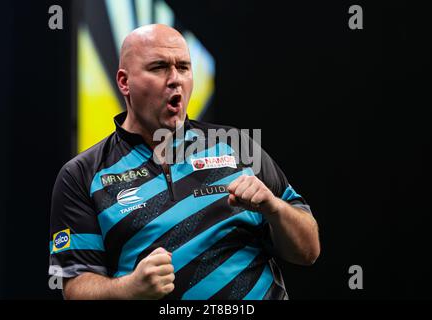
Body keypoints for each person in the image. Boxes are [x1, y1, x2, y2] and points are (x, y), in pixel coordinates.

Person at [49, 24, 320, 300]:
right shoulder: (82, 174)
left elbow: (309, 250)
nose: (175, 79)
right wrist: (130, 289)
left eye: (183, 67)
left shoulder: (236, 145)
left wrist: (275, 209)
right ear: (124, 82)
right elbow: (75, 287)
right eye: (158, 67)